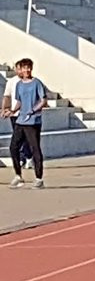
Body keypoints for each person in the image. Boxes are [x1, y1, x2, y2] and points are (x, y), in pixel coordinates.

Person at [1, 58, 48, 188]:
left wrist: (33, 110)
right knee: (13, 147)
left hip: (33, 122)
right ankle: (18, 176)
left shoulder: (37, 83)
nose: (26, 70)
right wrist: (12, 111)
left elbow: (43, 101)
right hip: (20, 121)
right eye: (23, 68)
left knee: (35, 148)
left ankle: (39, 179)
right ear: (20, 70)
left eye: (28, 67)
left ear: (31, 68)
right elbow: (20, 102)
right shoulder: (19, 85)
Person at [2, 60, 35, 169]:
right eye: (18, 68)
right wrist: (4, 109)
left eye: (22, 68)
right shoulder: (11, 82)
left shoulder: (32, 82)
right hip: (15, 114)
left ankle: (28, 157)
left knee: (26, 137)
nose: (21, 71)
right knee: (18, 138)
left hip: (27, 115)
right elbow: (6, 96)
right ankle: (22, 158)